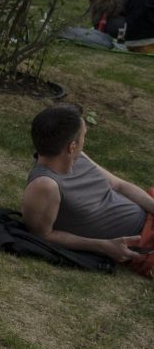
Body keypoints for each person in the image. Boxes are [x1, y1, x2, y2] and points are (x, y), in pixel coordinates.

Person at [21, 103, 154, 272]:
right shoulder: (45, 185)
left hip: (148, 212)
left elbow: (119, 185)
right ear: (72, 146)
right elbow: (43, 235)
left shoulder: (78, 157)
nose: (85, 140)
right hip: (142, 240)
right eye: (83, 136)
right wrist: (103, 246)